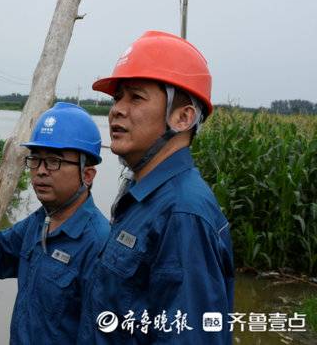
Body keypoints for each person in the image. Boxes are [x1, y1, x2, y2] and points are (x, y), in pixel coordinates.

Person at [79, 30, 234, 343]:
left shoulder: (182, 214)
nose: (117, 109)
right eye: (117, 98)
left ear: (183, 117)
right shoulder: (144, 196)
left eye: (135, 97)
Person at [0, 102, 109, 344]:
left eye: (54, 161)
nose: (40, 171)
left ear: (87, 175)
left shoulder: (99, 244)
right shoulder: (39, 221)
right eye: (35, 160)